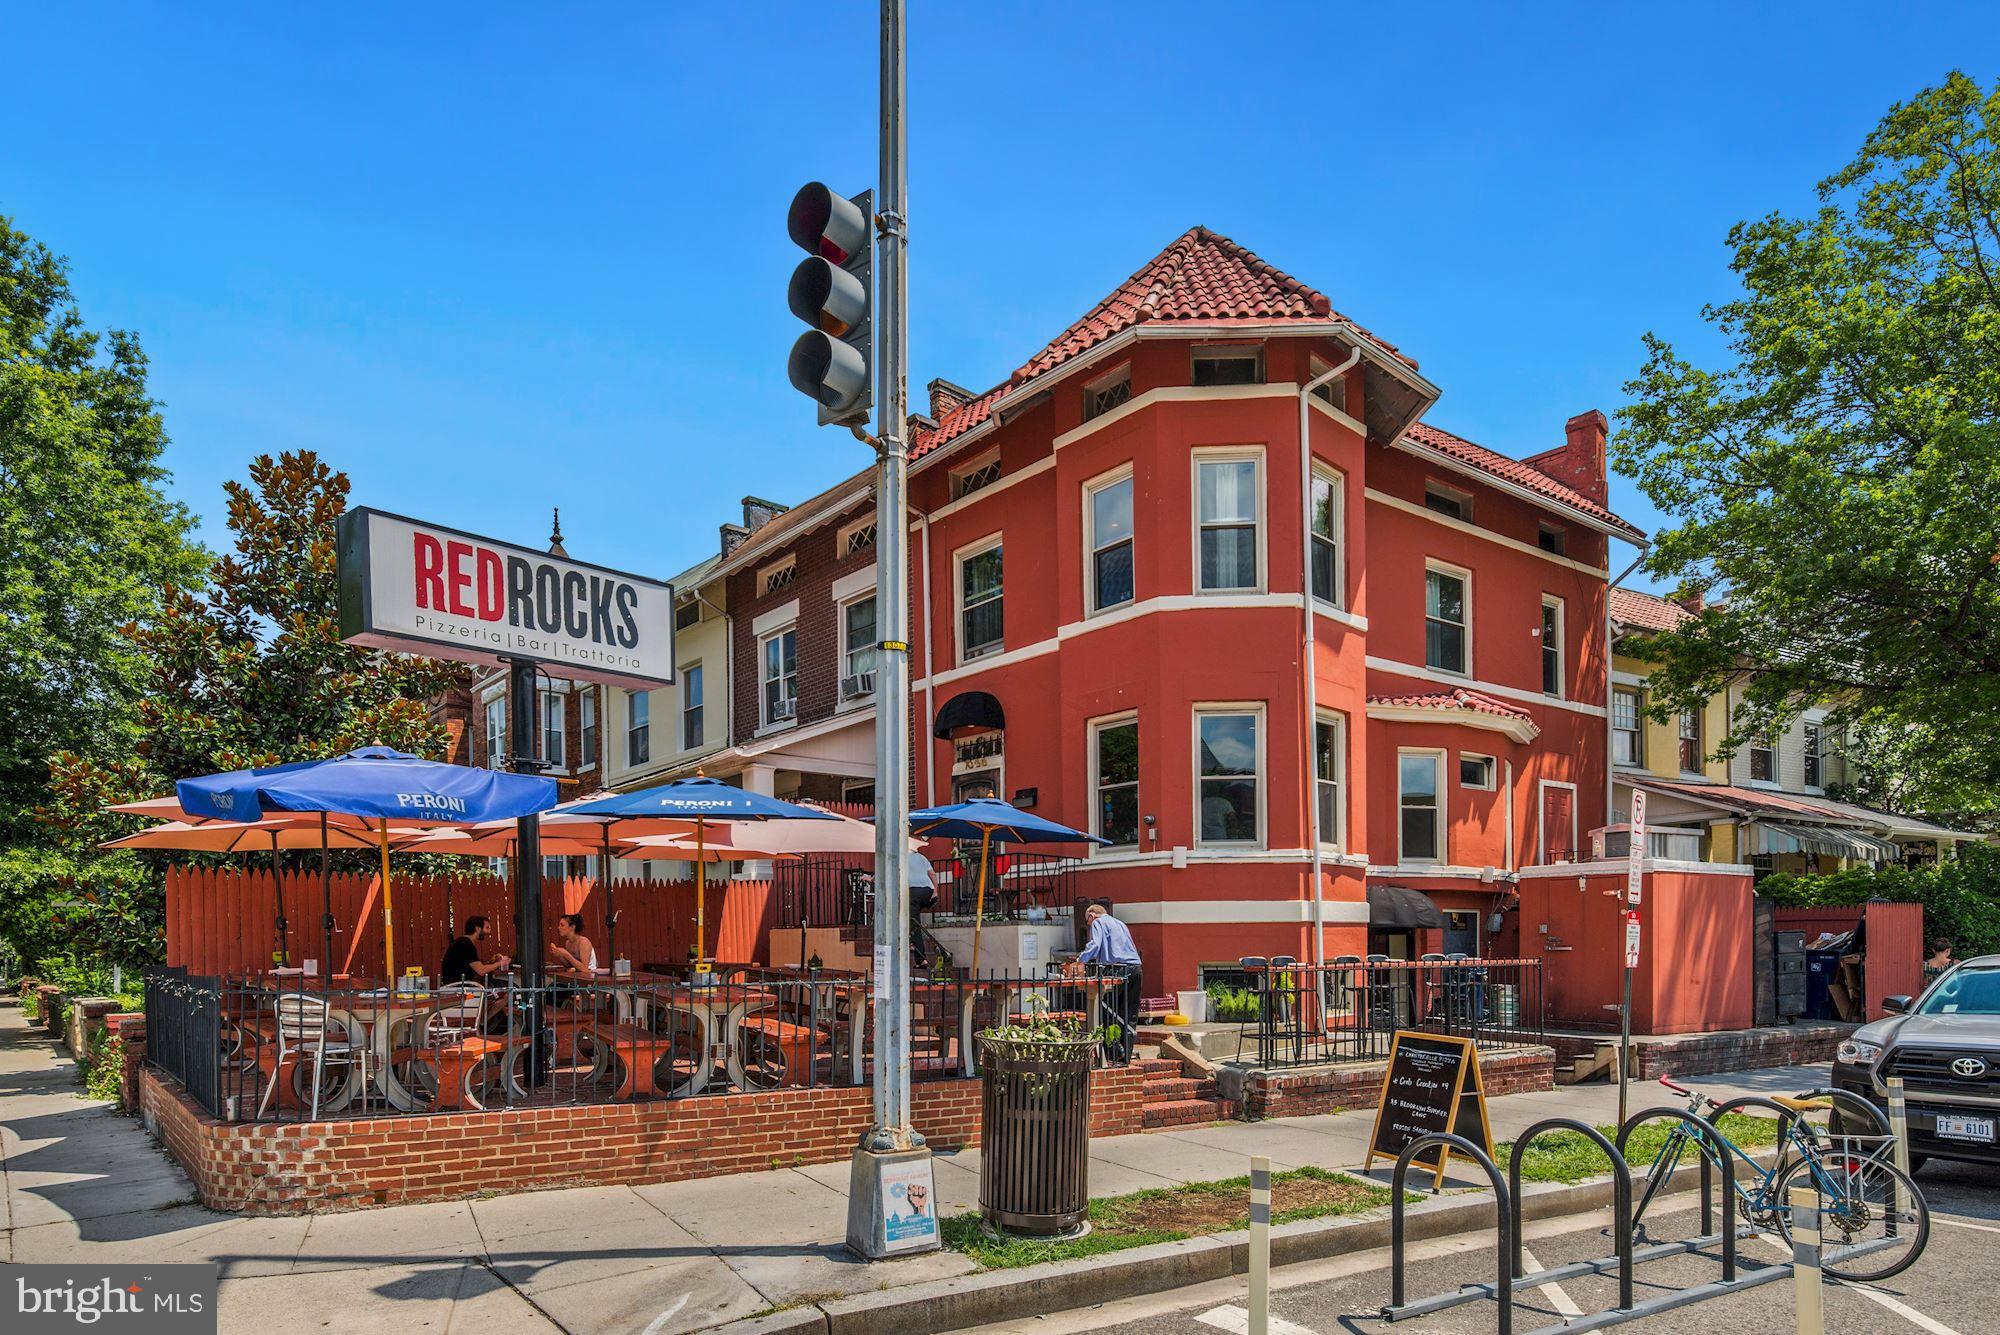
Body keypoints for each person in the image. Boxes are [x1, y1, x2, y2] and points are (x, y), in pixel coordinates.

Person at [1077, 901, 1142, 1060]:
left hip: (1117, 969)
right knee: (1129, 1013)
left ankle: (1113, 1052)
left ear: (1091, 916)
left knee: (1105, 1010)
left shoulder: (1098, 922)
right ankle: (1126, 1055)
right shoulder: (1120, 923)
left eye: (1088, 922)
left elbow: (1095, 945)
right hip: (1136, 968)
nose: (1089, 925)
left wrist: (1081, 960)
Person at [441, 916, 509, 987]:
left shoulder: (462, 942)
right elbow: (481, 971)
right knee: (503, 988)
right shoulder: (465, 944)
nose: (489, 932)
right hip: (457, 987)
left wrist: (491, 962)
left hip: (459, 985)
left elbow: (474, 966)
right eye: (487, 928)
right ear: (477, 929)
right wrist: (501, 963)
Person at [908, 847, 938, 966]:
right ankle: (910, 940)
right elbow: (932, 874)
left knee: (914, 923)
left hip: (913, 892)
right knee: (910, 918)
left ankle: (921, 959)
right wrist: (935, 891)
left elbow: (885, 869)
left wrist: (871, 879)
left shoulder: (900, 856)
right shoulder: (921, 857)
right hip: (927, 892)